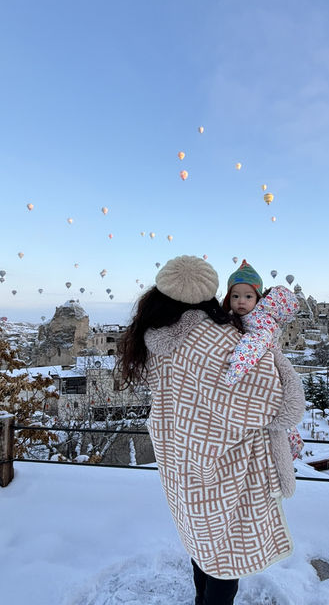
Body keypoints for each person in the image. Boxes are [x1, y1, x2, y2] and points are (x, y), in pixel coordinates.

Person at [117, 255, 305, 605]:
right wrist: (272, 350)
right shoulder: (211, 338)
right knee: (224, 555)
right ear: (209, 291)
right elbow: (275, 401)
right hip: (221, 467)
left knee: (201, 545)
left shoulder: (155, 337)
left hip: (180, 463)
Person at [222, 259, 300, 387]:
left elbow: (256, 342)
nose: (241, 301)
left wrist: (235, 371)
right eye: (235, 296)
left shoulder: (259, 320)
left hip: (264, 364)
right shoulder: (241, 316)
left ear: (258, 299)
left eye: (248, 297)